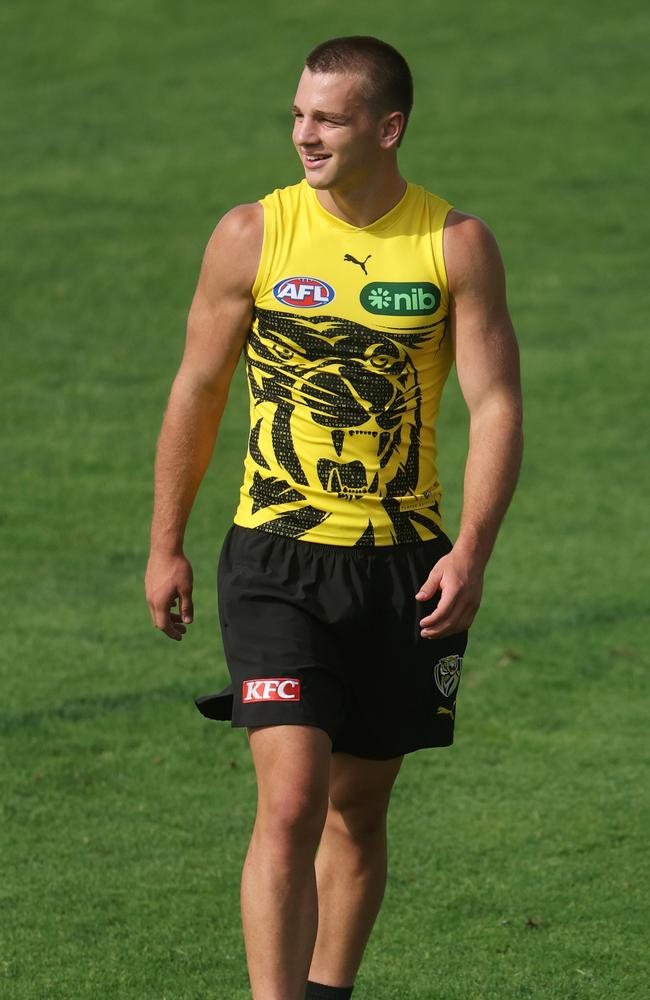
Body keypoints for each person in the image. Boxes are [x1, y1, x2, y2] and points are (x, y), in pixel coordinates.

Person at [145, 35, 523, 1000]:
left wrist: (473, 550)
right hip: (273, 558)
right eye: (299, 116)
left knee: (358, 808)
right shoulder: (251, 235)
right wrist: (165, 546)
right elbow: (199, 385)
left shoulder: (455, 245)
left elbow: (496, 405)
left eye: (329, 119)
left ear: (387, 128)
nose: (304, 135)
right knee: (293, 802)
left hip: (402, 567)